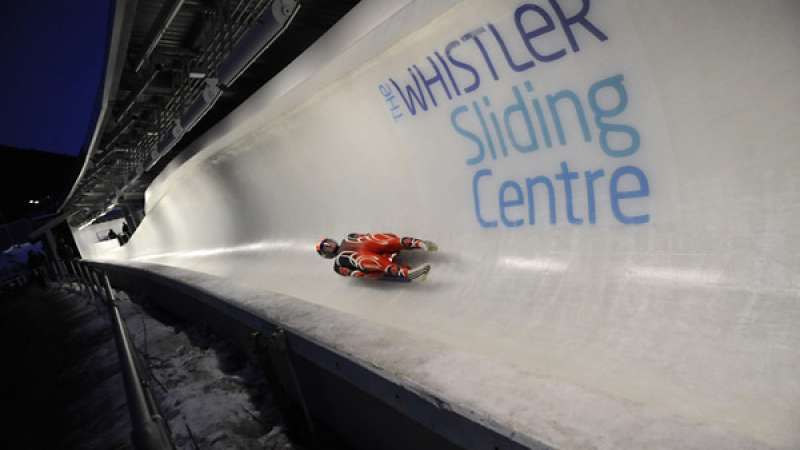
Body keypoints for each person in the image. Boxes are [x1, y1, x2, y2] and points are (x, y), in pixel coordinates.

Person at [316, 233, 437, 281]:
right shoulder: (338, 265)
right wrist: (362, 274)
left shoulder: (349, 236)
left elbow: (367, 235)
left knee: (382, 242)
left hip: (370, 245)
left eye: (329, 243)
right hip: (363, 258)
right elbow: (353, 273)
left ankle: (418, 243)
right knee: (369, 260)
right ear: (326, 254)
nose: (330, 246)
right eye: (327, 248)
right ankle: (406, 273)